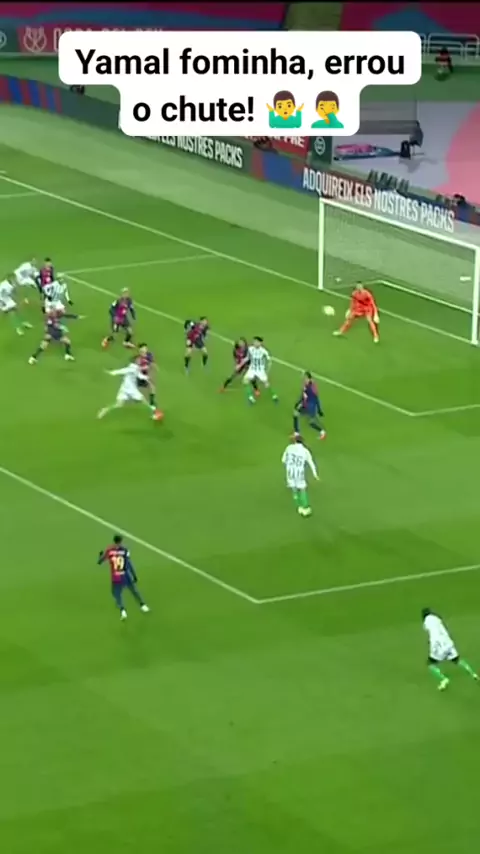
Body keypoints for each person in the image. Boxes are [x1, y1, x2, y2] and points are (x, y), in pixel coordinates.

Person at [422, 608, 478, 691]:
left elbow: (431, 632)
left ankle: (443, 679)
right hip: (448, 642)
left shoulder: (426, 621)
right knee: (457, 660)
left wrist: (432, 646)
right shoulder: (437, 618)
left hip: (439, 645)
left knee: (430, 664)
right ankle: (473, 674)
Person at [281, 433, 319, 517]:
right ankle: (305, 508)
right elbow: (311, 463)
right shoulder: (305, 451)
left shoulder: (289, 448)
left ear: (295, 441)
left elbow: (283, 460)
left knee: (294, 489)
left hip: (290, 472)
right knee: (302, 489)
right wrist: (315, 474)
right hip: (299, 473)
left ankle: (299, 506)